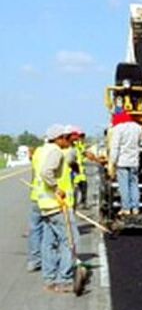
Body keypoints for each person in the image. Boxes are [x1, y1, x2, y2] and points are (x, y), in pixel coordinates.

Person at [34, 124, 75, 293]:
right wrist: (56, 187)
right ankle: (64, 280)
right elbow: (45, 172)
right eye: (66, 138)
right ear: (58, 139)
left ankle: (49, 279)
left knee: (48, 243)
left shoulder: (40, 151)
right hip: (56, 204)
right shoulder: (56, 151)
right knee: (69, 241)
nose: (68, 141)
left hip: (44, 204)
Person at [109, 110, 142, 217]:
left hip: (122, 162)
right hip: (134, 161)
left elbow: (115, 147)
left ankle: (126, 208)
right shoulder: (137, 127)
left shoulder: (118, 129)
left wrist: (112, 162)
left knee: (124, 186)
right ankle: (135, 208)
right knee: (134, 184)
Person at [26, 143, 44, 272]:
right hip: (51, 199)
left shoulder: (37, 153)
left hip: (36, 196)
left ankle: (34, 261)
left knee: (35, 229)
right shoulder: (58, 152)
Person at [67, 126, 88, 208]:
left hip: (81, 171)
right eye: (80, 136)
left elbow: (84, 153)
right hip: (73, 171)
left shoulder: (81, 145)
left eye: (82, 136)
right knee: (73, 190)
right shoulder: (73, 145)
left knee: (84, 187)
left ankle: (83, 201)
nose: (81, 138)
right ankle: (73, 204)